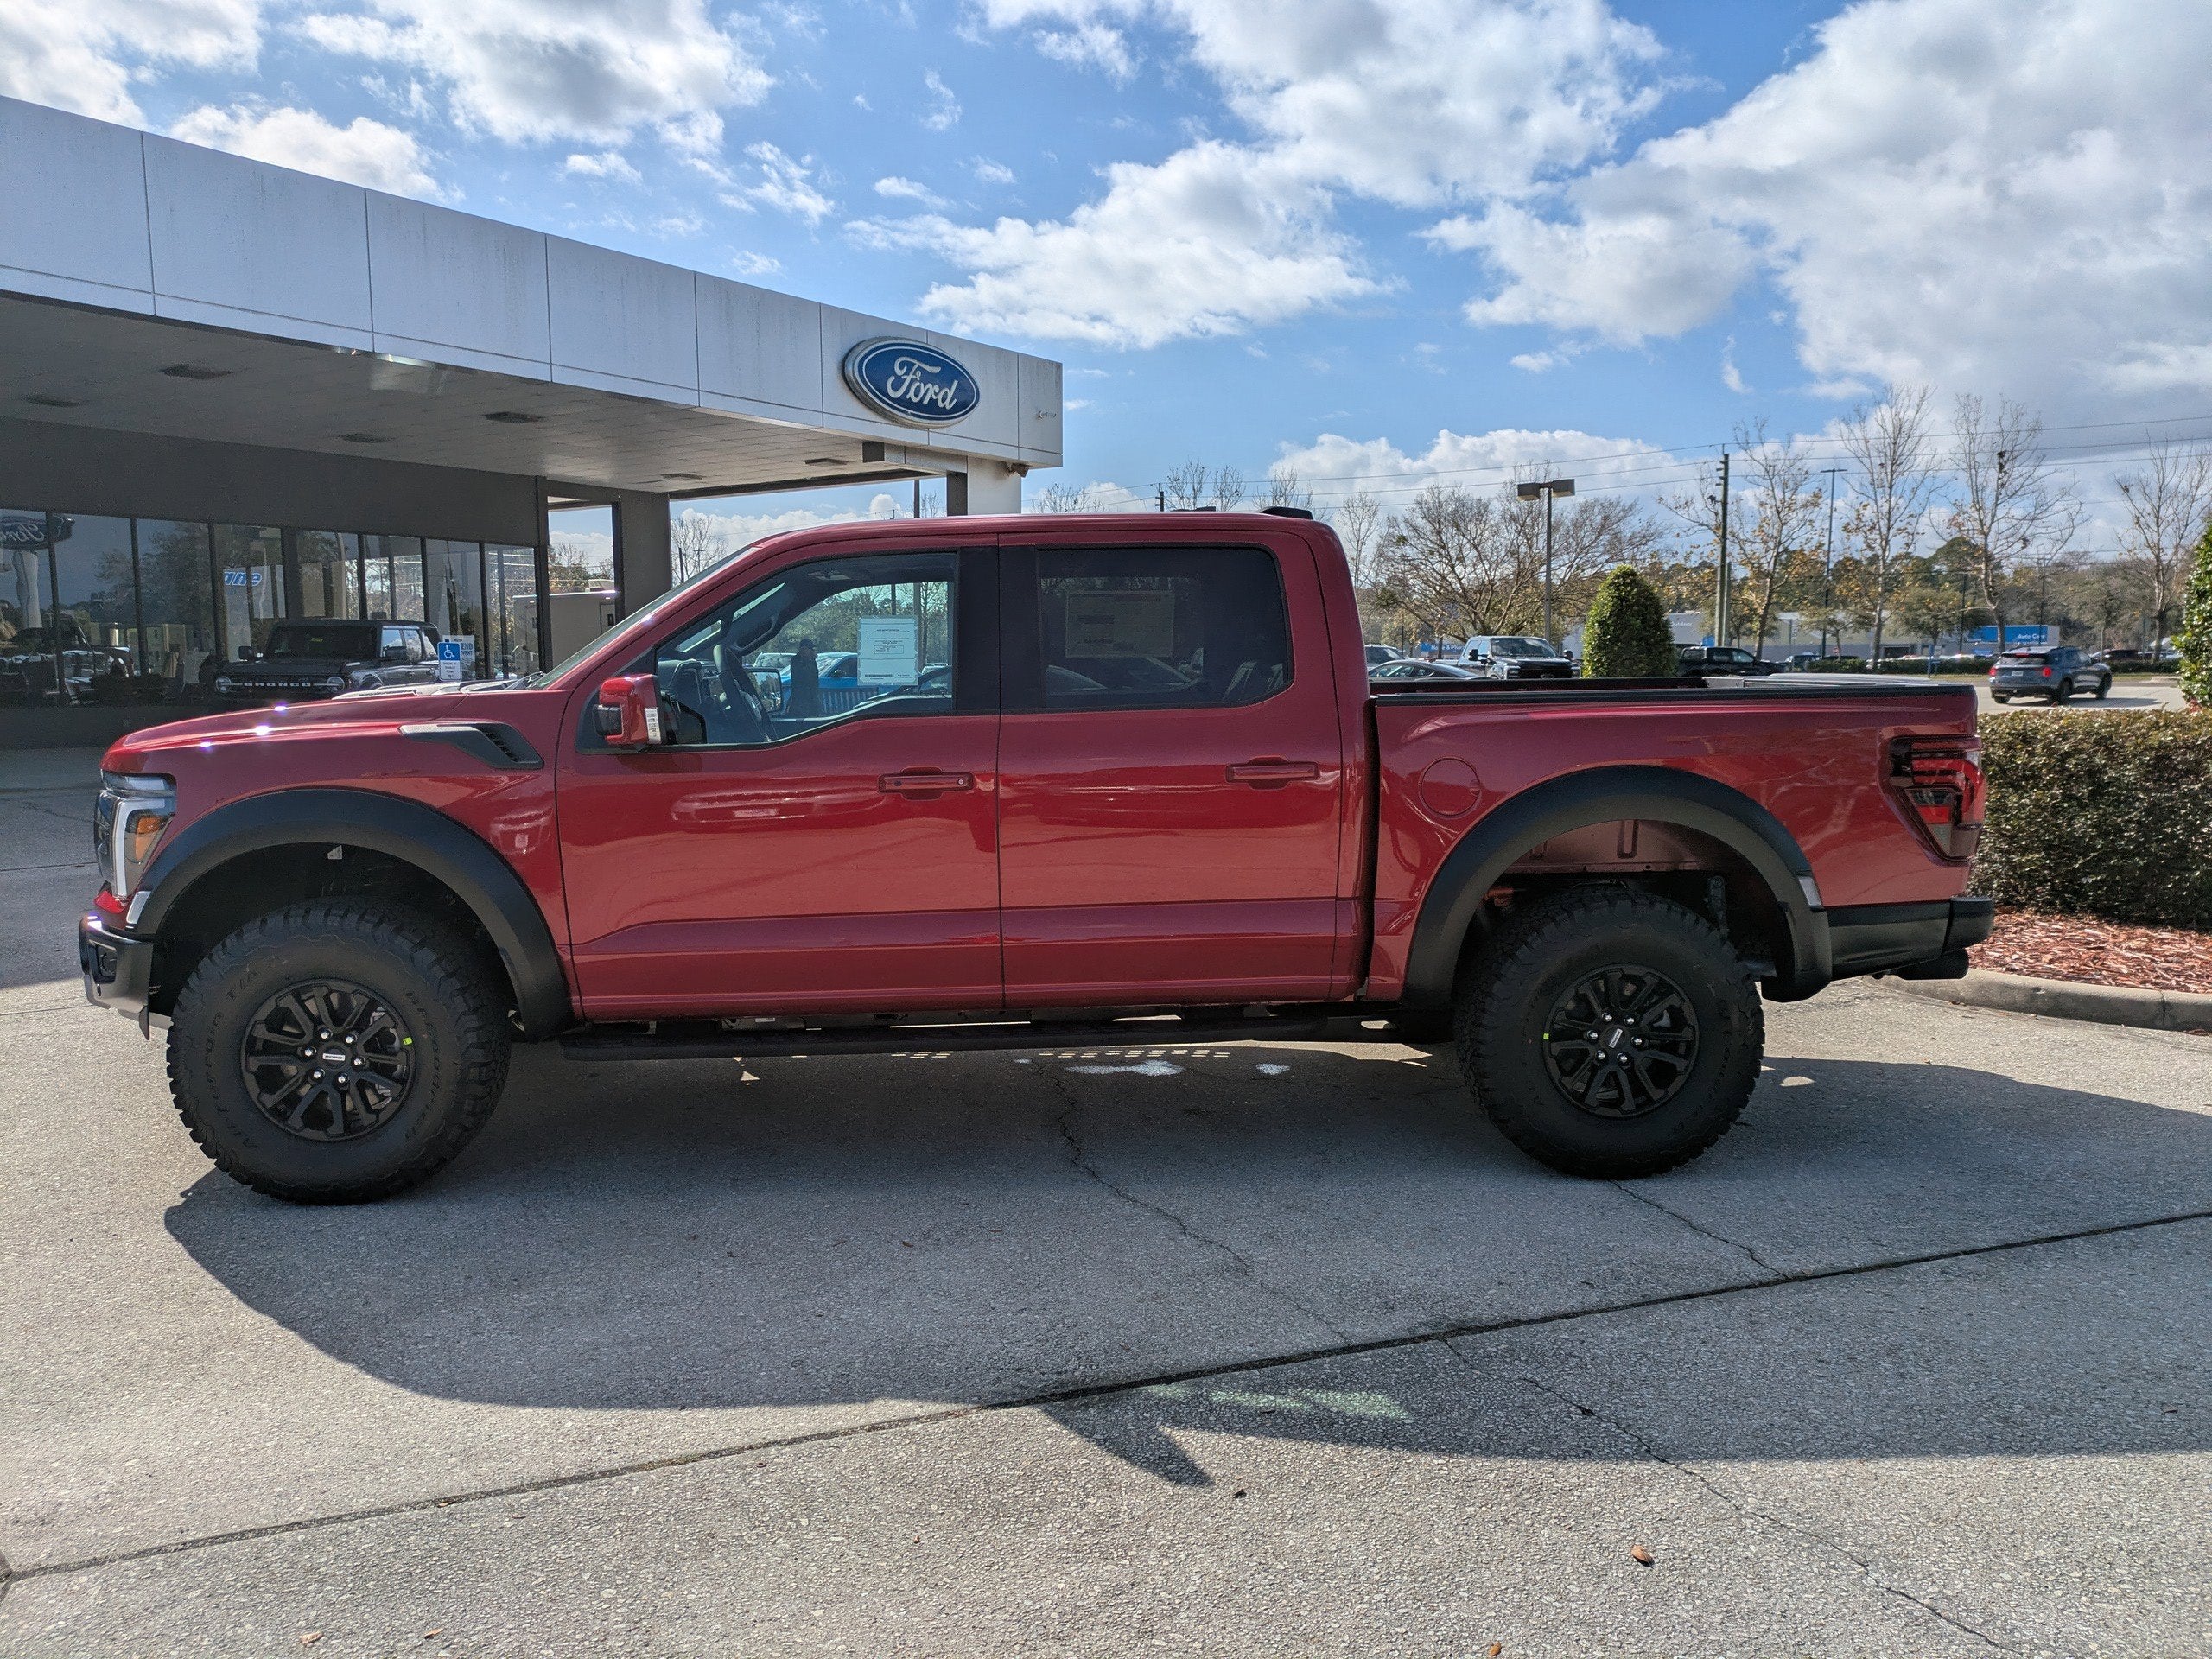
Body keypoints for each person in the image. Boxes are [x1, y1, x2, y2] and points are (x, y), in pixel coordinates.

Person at [787, 637, 821, 719]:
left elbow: (814, 678)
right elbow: (803, 675)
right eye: (810, 649)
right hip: (800, 700)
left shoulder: (812, 661)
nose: (812, 651)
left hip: (812, 698)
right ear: (803, 649)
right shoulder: (796, 660)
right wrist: (810, 658)